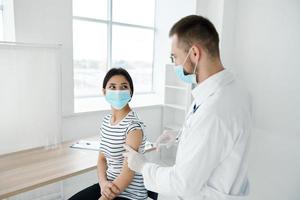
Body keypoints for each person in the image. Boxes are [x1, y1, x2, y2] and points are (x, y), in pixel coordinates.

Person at [124, 15, 252, 200]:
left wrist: (143, 166)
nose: (175, 64)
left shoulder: (214, 109)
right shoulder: (234, 89)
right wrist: (180, 137)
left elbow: (183, 185)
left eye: (174, 56)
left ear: (194, 53)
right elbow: (217, 142)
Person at [69, 68, 148, 200]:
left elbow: (127, 174)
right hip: (108, 185)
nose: (118, 91)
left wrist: (104, 197)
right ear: (104, 91)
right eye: (112, 87)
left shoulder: (133, 127)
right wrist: (103, 184)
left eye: (124, 87)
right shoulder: (106, 121)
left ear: (130, 92)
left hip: (130, 194)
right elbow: (102, 159)